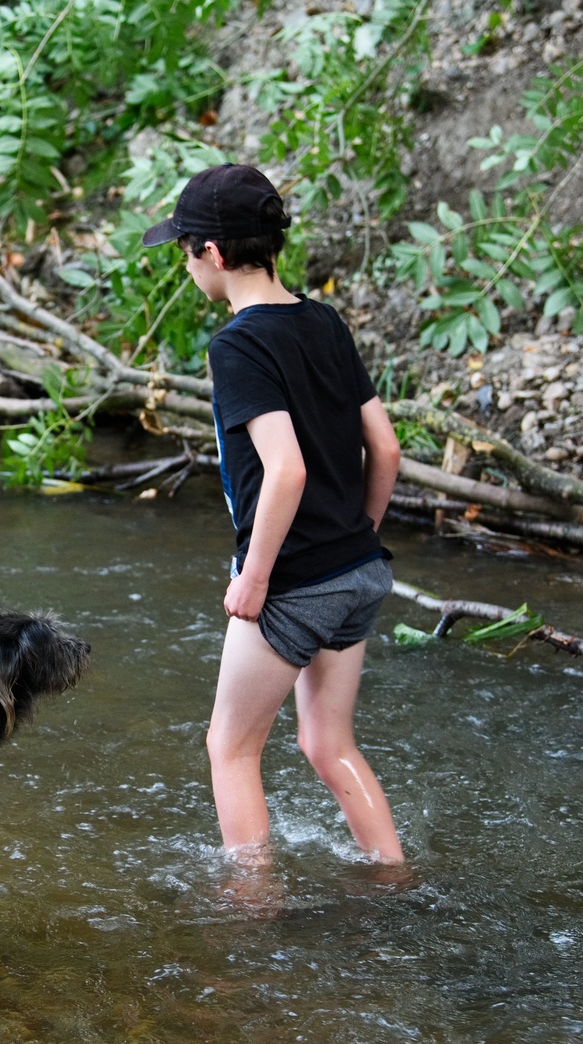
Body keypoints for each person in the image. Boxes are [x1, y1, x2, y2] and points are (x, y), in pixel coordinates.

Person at [141, 163, 404, 866]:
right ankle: (391, 873)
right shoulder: (323, 321)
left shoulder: (238, 345)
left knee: (230, 746)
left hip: (291, 580)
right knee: (327, 742)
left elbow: (286, 469)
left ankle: (251, 912)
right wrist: (359, 537)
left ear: (213, 252)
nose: (186, 264)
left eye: (185, 250)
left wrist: (255, 578)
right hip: (359, 569)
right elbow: (385, 446)